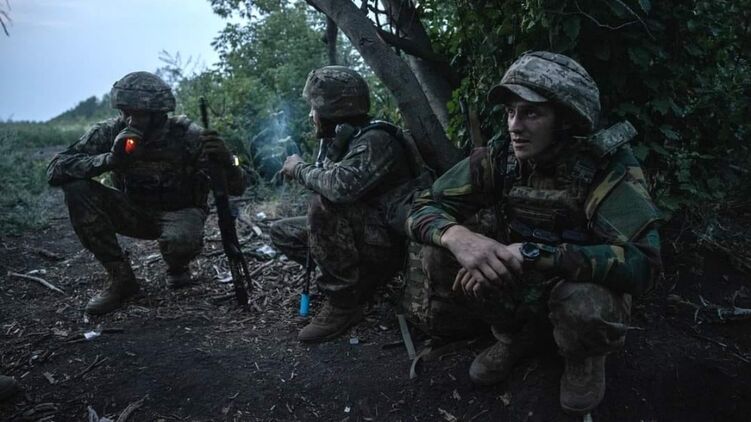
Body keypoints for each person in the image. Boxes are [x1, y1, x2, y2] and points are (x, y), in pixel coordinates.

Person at [406, 51, 663, 415]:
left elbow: (644, 263)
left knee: (583, 303)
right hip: (522, 280)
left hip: (575, 286)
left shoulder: (606, 167)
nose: (515, 125)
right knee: (441, 251)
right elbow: (421, 205)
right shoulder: (501, 157)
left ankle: (583, 357)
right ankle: (516, 337)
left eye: (531, 113)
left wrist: (534, 254)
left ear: (565, 119)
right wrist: (457, 237)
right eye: (511, 112)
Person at [47, 71, 246, 315]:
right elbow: (56, 169)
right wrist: (110, 160)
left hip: (180, 212)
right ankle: (121, 280)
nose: (130, 120)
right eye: (125, 112)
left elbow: (237, 186)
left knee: (180, 241)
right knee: (77, 189)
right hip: (133, 210)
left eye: (138, 114)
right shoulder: (111, 132)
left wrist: (229, 160)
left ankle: (177, 266)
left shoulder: (187, 135)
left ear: (158, 114)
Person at [271, 66, 429, 343]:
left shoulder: (376, 140)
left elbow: (339, 188)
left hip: (392, 242)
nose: (311, 115)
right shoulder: (344, 139)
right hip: (368, 235)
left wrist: (299, 169)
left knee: (323, 205)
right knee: (283, 232)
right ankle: (360, 283)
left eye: (314, 108)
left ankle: (343, 304)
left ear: (331, 111)